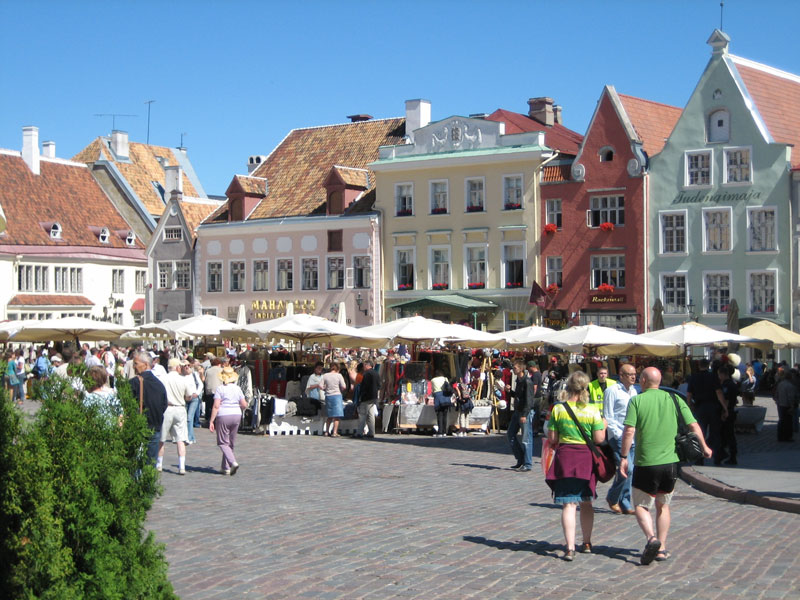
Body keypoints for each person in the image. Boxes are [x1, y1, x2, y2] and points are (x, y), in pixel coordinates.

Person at [619, 367, 712, 565]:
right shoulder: (674, 399)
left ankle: (651, 538)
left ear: (643, 381)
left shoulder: (637, 401)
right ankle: (661, 549)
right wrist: (704, 447)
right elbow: (693, 425)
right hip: (671, 463)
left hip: (646, 462)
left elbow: (629, 431)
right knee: (663, 505)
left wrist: (624, 456)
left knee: (641, 506)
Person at [545, 371, 605, 561]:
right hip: (586, 458)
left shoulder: (558, 409)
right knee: (586, 502)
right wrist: (603, 425)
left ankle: (570, 547)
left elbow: (552, 437)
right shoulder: (592, 410)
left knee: (569, 504)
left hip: (565, 457)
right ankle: (586, 542)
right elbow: (599, 439)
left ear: (568, 386)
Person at [603, 363, 638, 514]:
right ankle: (613, 497)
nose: (633, 377)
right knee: (627, 469)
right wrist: (617, 435)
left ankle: (625, 502)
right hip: (618, 436)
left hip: (632, 437)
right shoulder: (612, 391)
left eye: (635, 374)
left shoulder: (634, 391)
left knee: (631, 470)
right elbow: (608, 416)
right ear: (621, 375)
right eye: (630, 374)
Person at [129, 352, 168, 465]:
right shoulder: (159, 384)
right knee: (150, 464)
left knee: (135, 463)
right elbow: (164, 405)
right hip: (155, 426)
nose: (134, 367)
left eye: (136, 363)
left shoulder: (134, 383)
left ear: (145, 364)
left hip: (139, 427)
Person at [209, 366, 248, 475]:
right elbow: (244, 404)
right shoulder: (238, 388)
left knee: (222, 442)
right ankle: (225, 467)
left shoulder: (220, 389)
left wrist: (211, 421)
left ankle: (232, 462)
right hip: (236, 414)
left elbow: (216, 406)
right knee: (230, 442)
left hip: (224, 414)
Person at [686, 358, 727, 464]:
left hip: (699, 407)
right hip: (713, 407)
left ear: (699, 366)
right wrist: (725, 407)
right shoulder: (713, 376)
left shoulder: (693, 377)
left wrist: (690, 405)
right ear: (708, 365)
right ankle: (717, 457)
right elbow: (719, 392)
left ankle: (699, 458)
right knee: (715, 433)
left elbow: (689, 394)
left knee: (700, 432)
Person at [157, 358, 192, 475]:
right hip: (180, 408)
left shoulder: (163, 378)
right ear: (177, 367)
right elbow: (189, 396)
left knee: (161, 439)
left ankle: (159, 464)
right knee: (180, 439)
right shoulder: (183, 379)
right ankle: (182, 466)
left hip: (167, 408)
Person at [506, 360, 535, 471]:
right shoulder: (518, 381)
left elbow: (529, 400)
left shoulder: (527, 382)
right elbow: (518, 396)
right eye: (513, 367)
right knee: (510, 434)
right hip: (517, 411)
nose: (513, 369)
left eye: (515, 367)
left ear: (521, 368)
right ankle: (520, 459)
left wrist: (524, 414)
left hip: (524, 412)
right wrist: (510, 391)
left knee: (526, 438)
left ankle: (527, 463)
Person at [718, 364, 739, 464]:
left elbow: (726, 399)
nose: (719, 377)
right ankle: (729, 454)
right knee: (728, 434)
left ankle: (730, 455)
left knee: (727, 434)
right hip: (731, 410)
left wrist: (724, 411)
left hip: (727, 411)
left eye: (719, 374)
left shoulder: (727, 385)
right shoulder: (733, 384)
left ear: (723, 374)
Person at [356, 360, 379, 439]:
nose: (363, 367)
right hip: (374, 397)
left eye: (364, 366)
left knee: (362, 415)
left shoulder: (366, 374)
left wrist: (361, 396)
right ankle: (371, 432)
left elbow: (364, 386)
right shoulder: (376, 373)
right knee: (371, 415)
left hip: (366, 397)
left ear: (367, 365)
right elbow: (379, 385)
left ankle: (359, 432)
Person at [321, 363, 346, 437]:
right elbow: (344, 386)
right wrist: (340, 389)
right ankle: (334, 432)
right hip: (337, 396)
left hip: (328, 396)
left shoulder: (325, 375)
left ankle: (326, 431)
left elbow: (320, 385)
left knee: (330, 415)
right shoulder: (339, 375)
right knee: (336, 416)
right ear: (337, 369)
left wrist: (325, 389)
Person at [774, 367, 797, 442]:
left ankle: (780, 436)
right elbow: (791, 397)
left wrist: (777, 401)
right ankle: (787, 437)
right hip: (787, 405)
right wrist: (792, 406)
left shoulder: (780, 384)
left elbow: (776, 394)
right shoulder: (790, 386)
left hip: (781, 404)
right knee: (788, 422)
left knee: (781, 421)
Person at [183, 360, 203, 444]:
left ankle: (189, 437)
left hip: (194, 398)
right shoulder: (181, 376)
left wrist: (197, 393)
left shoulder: (194, 374)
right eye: (185, 366)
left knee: (189, 418)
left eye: (188, 365)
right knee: (186, 418)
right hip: (184, 398)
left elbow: (200, 384)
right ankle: (192, 437)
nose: (187, 367)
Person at [431, 369, 454, 438]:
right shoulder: (445, 378)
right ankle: (444, 431)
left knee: (439, 415)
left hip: (438, 398)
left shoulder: (433, 380)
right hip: (446, 397)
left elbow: (433, 390)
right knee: (445, 415)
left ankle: (440, 431)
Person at [203, 358, 223, 427]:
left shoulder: (208, 370)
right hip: (219, 391)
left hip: (209, 390)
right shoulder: (221, 370)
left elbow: (205, 380)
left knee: (209, 406)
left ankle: (209, 420)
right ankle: (216, 421)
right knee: (218, 406)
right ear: (219, 364)